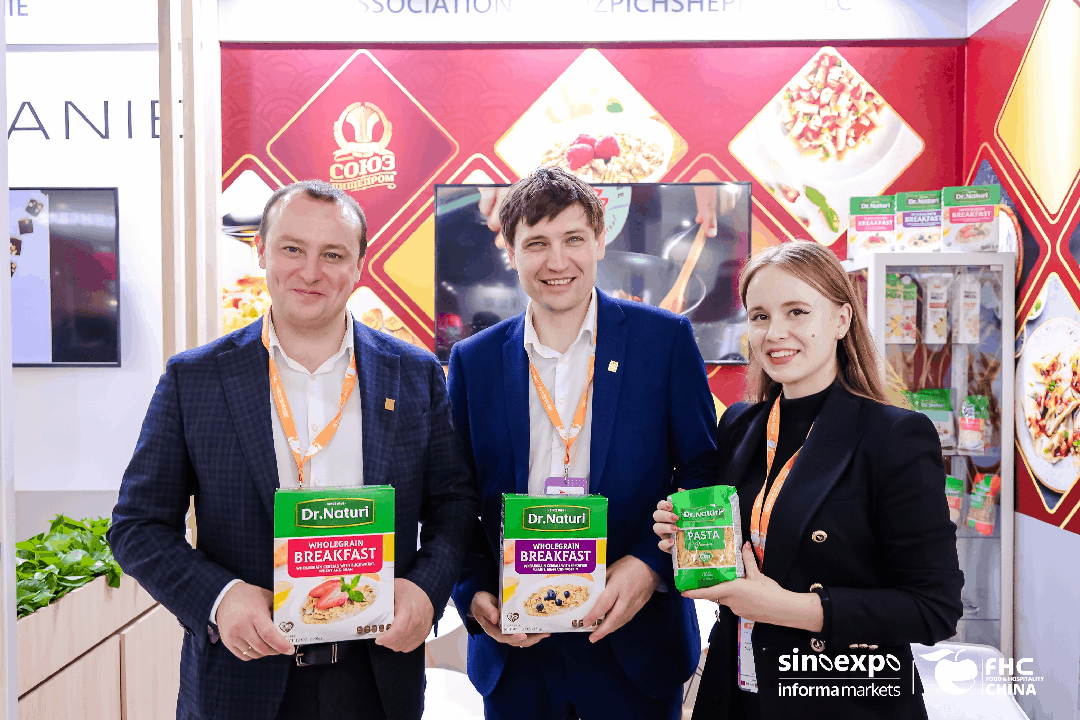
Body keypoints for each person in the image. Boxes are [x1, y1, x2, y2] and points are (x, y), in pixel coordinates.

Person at [108, 180, 476, 720]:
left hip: (376, 679)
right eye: (292, 248)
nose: (310, 271)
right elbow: (137, 526)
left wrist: (425, 591)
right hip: (242, 681)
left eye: (333, 255)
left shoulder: (415, 373)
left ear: (359, 266)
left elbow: (454, 504)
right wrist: (220, 597)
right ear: (261, 250)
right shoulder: (196, 379)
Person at [447, 166, 717, 720]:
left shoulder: (664, 341)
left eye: (573, 239)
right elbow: (454, 496)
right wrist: (472, 593)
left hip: (632, 636)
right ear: (510, 251)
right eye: (536, 244)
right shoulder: (474, 361)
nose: (557, 261)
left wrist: (650, 566)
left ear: (599, 241)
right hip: (517, 647)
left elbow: (703, 471)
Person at [653, 240, 964, 719]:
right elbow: (741, 549)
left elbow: (933, 608)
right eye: (760, 316)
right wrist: (687, 538)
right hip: (737, 694)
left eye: (797, 311)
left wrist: (786, 607)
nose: (775, 332)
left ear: (841, 319)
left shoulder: (895, 436)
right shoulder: (738, 424)